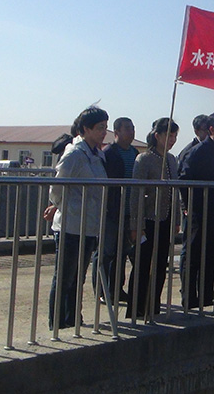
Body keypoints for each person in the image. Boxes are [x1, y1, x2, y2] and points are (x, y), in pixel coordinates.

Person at [46, 106, 109, 330]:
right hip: (71, 224)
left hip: (89, 224)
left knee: (78, 278)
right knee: (64, 277)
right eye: (99, 128)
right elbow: (57, 187)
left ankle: (73, 320)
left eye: (105, 127)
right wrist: (60, 206)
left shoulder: (96, 154)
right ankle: (57, 324)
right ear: (85, 129)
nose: (104, 132)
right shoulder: (74, 154)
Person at [178, 112, 214, 309]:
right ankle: (189, 297)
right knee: (194, 255)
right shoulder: (197, 152)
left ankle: (207, 295)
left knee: (213, 254)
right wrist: (188, 206)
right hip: (199, 212)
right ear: (212, 130)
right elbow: (184, 180)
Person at [127, 118, 180, 319]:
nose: (172, 140)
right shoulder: (144, 159)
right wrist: (136, 224)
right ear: (157, 135)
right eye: (168, 135)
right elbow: (136, 194)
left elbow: (175, 192)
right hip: (148, 220)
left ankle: (153, 308)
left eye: (174, 136)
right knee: (143, 266)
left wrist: (176, 219)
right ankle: (137, 310)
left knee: (159, 266)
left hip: (165, 219)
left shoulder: (172, 160)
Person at [95, 117, 137, 305]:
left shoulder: (135, 153)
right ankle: (102, 290)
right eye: (127, 128)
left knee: (122, 252)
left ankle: (117, 289)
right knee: (106, 252)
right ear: (117, 132)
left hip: (129, 211)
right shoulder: (109, 153)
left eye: (132, 128)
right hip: (111, 210)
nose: (131, 132)